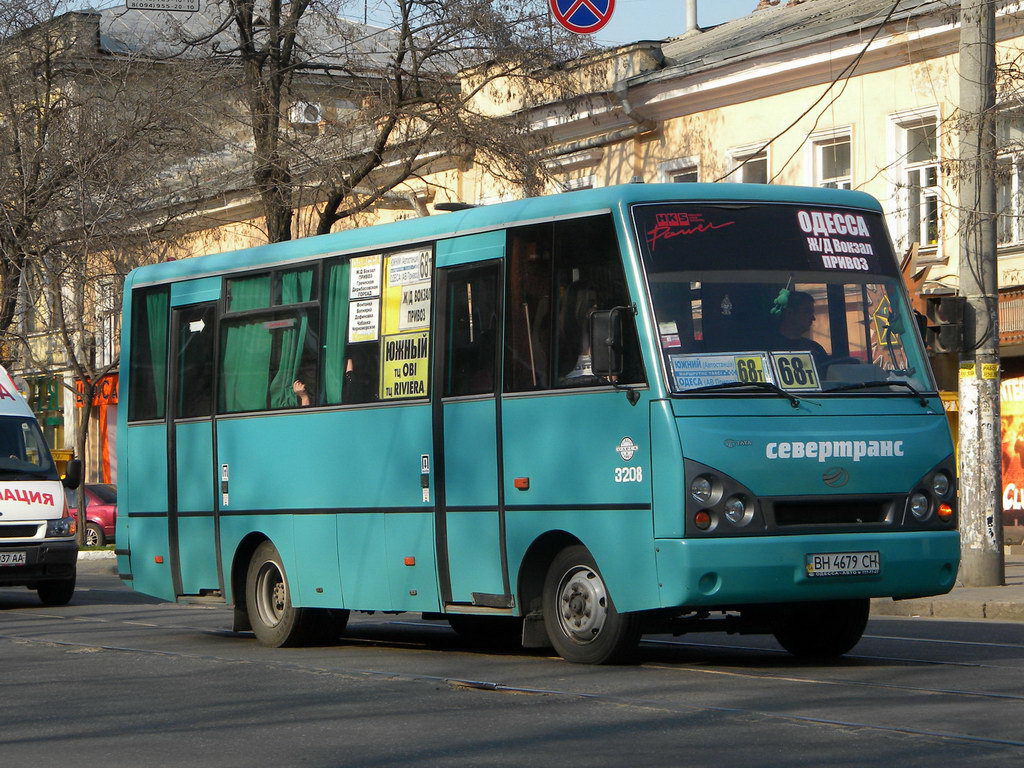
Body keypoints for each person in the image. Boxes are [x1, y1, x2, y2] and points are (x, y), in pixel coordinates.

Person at [770, 290, 828, 360]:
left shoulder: (815, 349)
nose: (813, 318)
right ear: (789, 313)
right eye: (807, 312)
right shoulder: (769, 347)